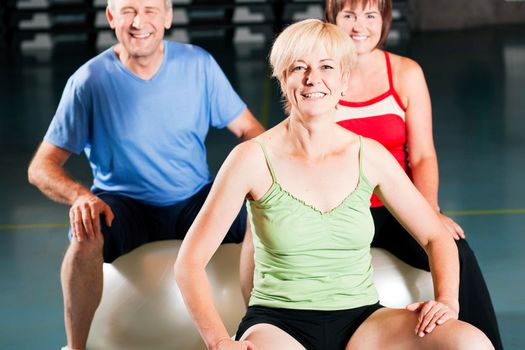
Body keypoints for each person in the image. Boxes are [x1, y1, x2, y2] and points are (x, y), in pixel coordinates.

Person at [174, 19, 493, 350]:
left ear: (344, 80)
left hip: (362, 320)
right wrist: (218, 341)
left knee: (470, 342)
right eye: (299, 67)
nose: (314, 79)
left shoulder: (368, 155)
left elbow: (435, 236)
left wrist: (448, 303)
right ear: (283, 79)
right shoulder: (251, 159)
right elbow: (189, 263)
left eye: (326, 66)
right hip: (278, 323)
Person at [26, 0, 264, 348]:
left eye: (151, 9)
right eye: (128, 10)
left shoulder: (198, 65)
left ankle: (261, 330)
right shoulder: (89, 81)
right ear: (111, 17)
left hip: (192, 200)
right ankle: (75, 346)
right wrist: (79, 196)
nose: (140, 22)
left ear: (167, 16)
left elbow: (251, 132)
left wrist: (248, 184)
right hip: (123, 204)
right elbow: (40, 167)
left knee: (264, 216)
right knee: (84, 234)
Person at [324, 0, 503, 348]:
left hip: (396, 209)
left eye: (370, 15)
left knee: (458, 252)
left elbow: (422, 155)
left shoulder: (406, 73)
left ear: (384, 20)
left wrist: (429, 213)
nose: (359, 26)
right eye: (348, 15)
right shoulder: (322, 76)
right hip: (341, 212)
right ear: (332, 20)